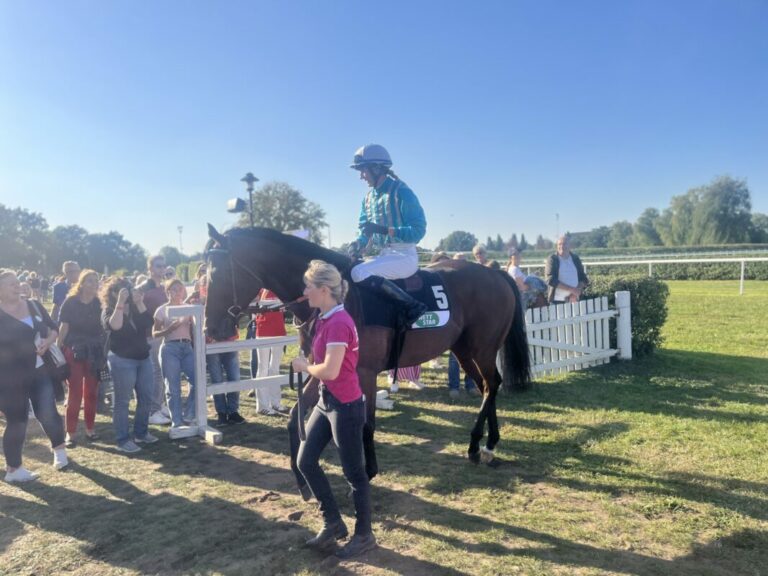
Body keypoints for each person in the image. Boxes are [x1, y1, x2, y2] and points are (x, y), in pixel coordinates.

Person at [292, 260, 377, 559]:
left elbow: (329, 370)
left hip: (345, 406)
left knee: (354, 474)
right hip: (328, 402)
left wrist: (305, 366)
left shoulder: (339, 322)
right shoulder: (325, 318)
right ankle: (333, 523)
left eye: (308, 287)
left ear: (324, 290)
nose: (304, 292)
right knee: (305, 460)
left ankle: (365, 535)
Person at [1, 269, 68, 482]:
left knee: (48, 413)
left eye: (16, 282)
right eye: (10, 284)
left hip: (40, 370)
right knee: (16, 420)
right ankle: (14, 469)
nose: (17, 286)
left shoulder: (33, 305)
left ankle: (59, 452)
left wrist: (48, 342)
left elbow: (52, 328)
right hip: (10, 377)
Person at [348, 144, 427, 325]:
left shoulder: (402, 192)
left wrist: (385, 230)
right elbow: (365, 231)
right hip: (384, 255)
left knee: (358, 273)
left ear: (377, 168)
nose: (361, 176)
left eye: (363, 171)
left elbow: (418, 231)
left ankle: (412, 306)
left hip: (404, 256)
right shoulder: (367, 199)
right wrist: (357, 244)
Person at [100, 276, 158, 453]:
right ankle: (123, 439)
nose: (126, 291)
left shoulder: (135, 308)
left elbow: (149, 323)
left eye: (127, 288)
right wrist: (120, 304)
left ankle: (141, 433)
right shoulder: (108, 310)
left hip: (143, 357)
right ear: (112, 293)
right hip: (122, 360)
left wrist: (139, 302)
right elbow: (115, 326)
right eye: (121, 289)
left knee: (146, 397)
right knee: (123, 401)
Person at [57, 269, 104, 445]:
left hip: (94, 351)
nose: (94, 284)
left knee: (92, 392)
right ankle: (71, 432)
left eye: (96, 280)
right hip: (74, 350)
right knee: (75, 393)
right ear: (82, 283)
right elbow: (64, 327)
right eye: (90, 281)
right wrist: (58, 350)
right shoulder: (71, 302)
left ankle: (90, 429)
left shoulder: (99, 303)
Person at [153, 279, 196, 437]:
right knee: (173, 386)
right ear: (168, 292)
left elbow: (196, 328)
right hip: (170, 348)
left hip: (187, 347)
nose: (177, 292)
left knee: (197, 380)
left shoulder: (189, 309)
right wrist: (168, 330)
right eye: (174, 289)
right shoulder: (162, 310)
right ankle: (176, 420)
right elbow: (154, 333)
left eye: (180, 289)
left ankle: (190, 415)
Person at [137, 255, 172, 426]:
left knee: (163, 372)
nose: (162, 269)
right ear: (150, 268)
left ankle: (160, 404)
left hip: (163, 334)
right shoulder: (143, 289)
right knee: (155, 373)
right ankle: (153, 410)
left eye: (164, 266)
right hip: (149, 336)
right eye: (158, 266)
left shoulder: (163, 287)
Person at [253, 289, 287, 415]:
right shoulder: (261, 288)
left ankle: (275, 402)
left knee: (275, 368)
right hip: (263, 331)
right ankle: (262, 405)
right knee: (263, 368)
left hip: (279, 330)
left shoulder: (280, 285)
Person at [545, 235, 589, 304]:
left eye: (564, 244)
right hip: (557, 301)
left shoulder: (575, 258)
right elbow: (550, 279)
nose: (562, 246)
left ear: (570, 246)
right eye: (559, 244)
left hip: (574, 300)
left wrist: (575, 293)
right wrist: (572, 289)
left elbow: (583, 278)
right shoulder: (553, 259)